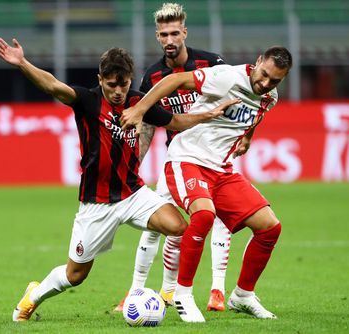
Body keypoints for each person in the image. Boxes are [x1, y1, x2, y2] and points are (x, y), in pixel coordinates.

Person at [0, 37, 239, 322]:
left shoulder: (139, 101)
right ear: (100, 80)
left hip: (134, 194)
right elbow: (52, 85)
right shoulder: (87, 100)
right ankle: (33, 296)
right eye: (111, 85)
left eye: (123, 84)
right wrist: (23, 63)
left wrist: (207, 115)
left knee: (180, 228)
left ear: (130, 79)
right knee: (75, 275)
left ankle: (171, 292)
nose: (119, 91)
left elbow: (174, 122)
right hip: (97, 204)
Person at [121, 46, 293, 322]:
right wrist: (140, 109)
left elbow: (254, 113)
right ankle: (182, 294)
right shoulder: (226, 77)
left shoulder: (269, 97)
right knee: (203, 216)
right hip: (186, 159)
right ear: (257, 61)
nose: (265, 84)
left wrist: (247, 137)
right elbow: (174, 80)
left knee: (270, 227)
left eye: (275, 80)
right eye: (264, 75)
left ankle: (243, 295)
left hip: (220, 171)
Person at [115, 2, 232, 313]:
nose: (170, 39)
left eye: (175, 33)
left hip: (214, 156)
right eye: (164, 34)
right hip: (178, 159)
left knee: (220, 218)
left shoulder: (211, 63)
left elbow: (239, 99)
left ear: (185, 32)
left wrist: (244, 135)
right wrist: (132, 164)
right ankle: (136, 291)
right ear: (157, 36)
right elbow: (148, 127)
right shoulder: (153, 77)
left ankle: (217, 290)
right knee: (156, 224)